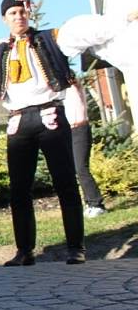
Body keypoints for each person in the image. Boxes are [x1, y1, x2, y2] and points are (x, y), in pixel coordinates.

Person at [0, 0, 138, 266]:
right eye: (12, 14)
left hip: (51, 115)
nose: (18, 17)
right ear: (4, 19)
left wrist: (124, 17)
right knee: (19, 189)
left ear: (28, 13)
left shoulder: (52, 39)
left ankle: (76, 248)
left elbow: (87, 31)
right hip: (19, 121)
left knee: (65, 182)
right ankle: (24, 250)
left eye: (22, 12)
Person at [63, 77, 106, 217]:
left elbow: (76, 81)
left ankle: (97, 204)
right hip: (68, 131)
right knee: (75, 169)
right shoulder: (60, 92)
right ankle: (89, 202)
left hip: (80, 130)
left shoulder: (76, 87)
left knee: (81, 167)